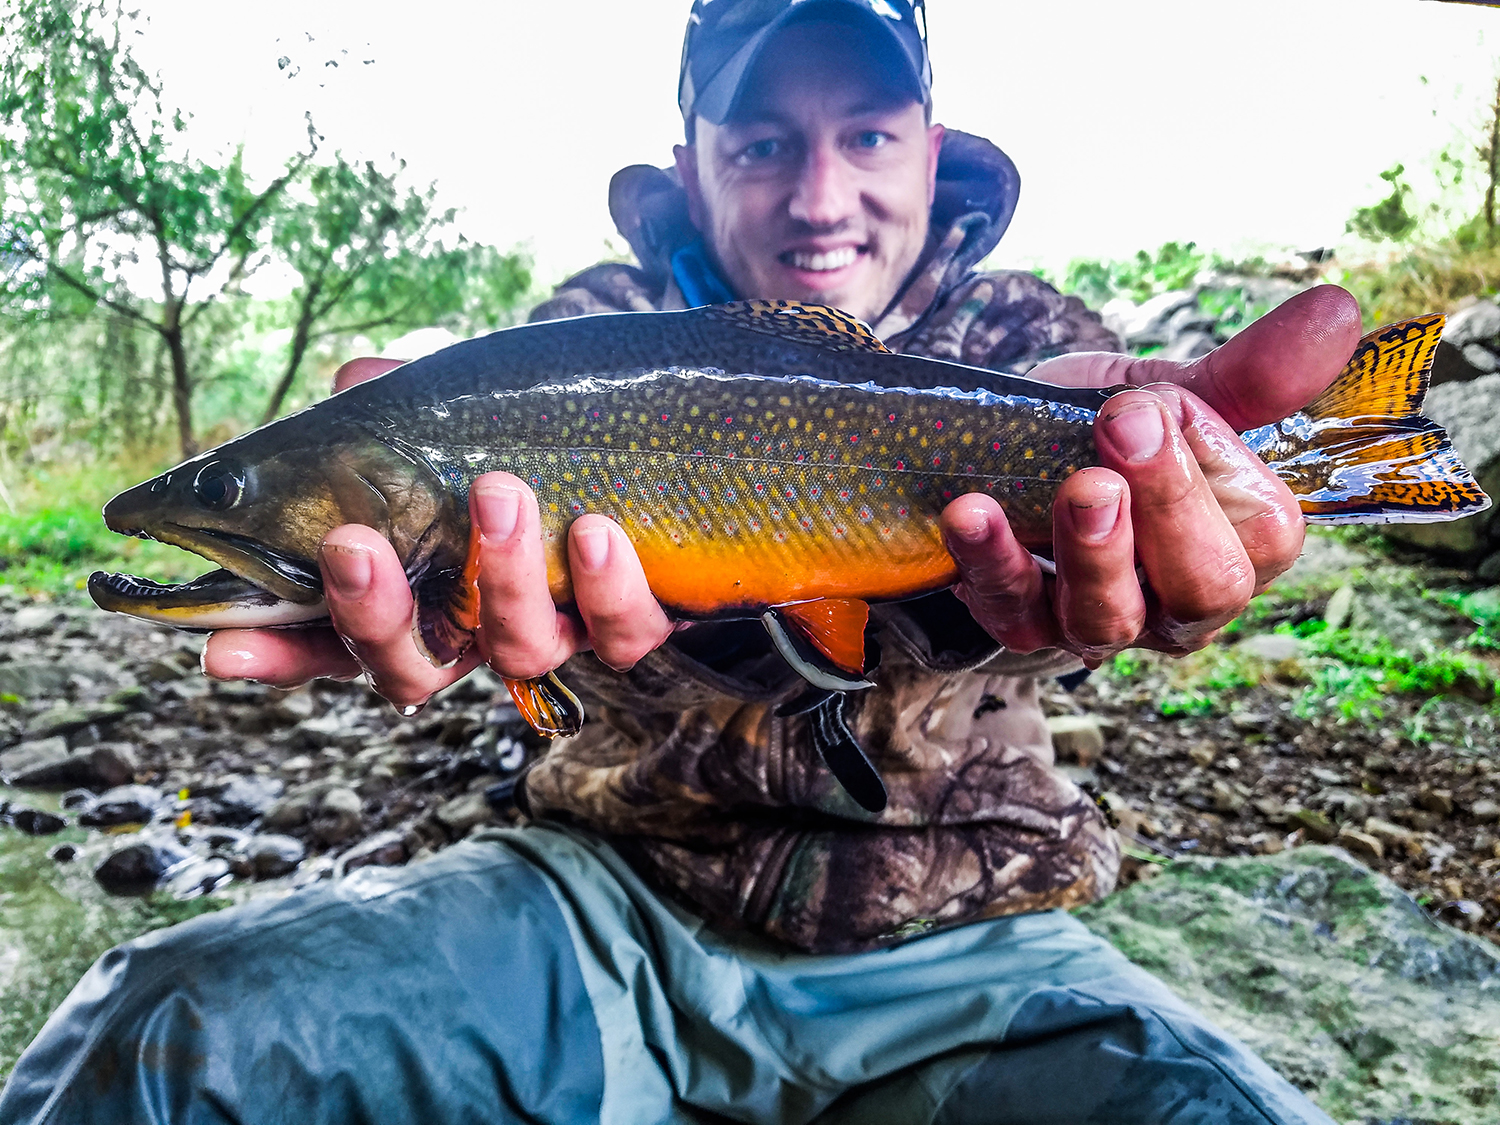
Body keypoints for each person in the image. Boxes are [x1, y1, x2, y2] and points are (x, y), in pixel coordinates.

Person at [0, 2, 1355, 1121]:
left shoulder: (1020, 345)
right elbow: (461, 456)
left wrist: (1189, 542)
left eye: (868, 135)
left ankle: (1368, 459)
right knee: (156, 1035)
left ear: (931, 149)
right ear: (693, 154)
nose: (820, 195)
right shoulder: (587, 336)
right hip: (606, 910)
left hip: (973, 942)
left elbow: (1108, 561)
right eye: (764, 142)